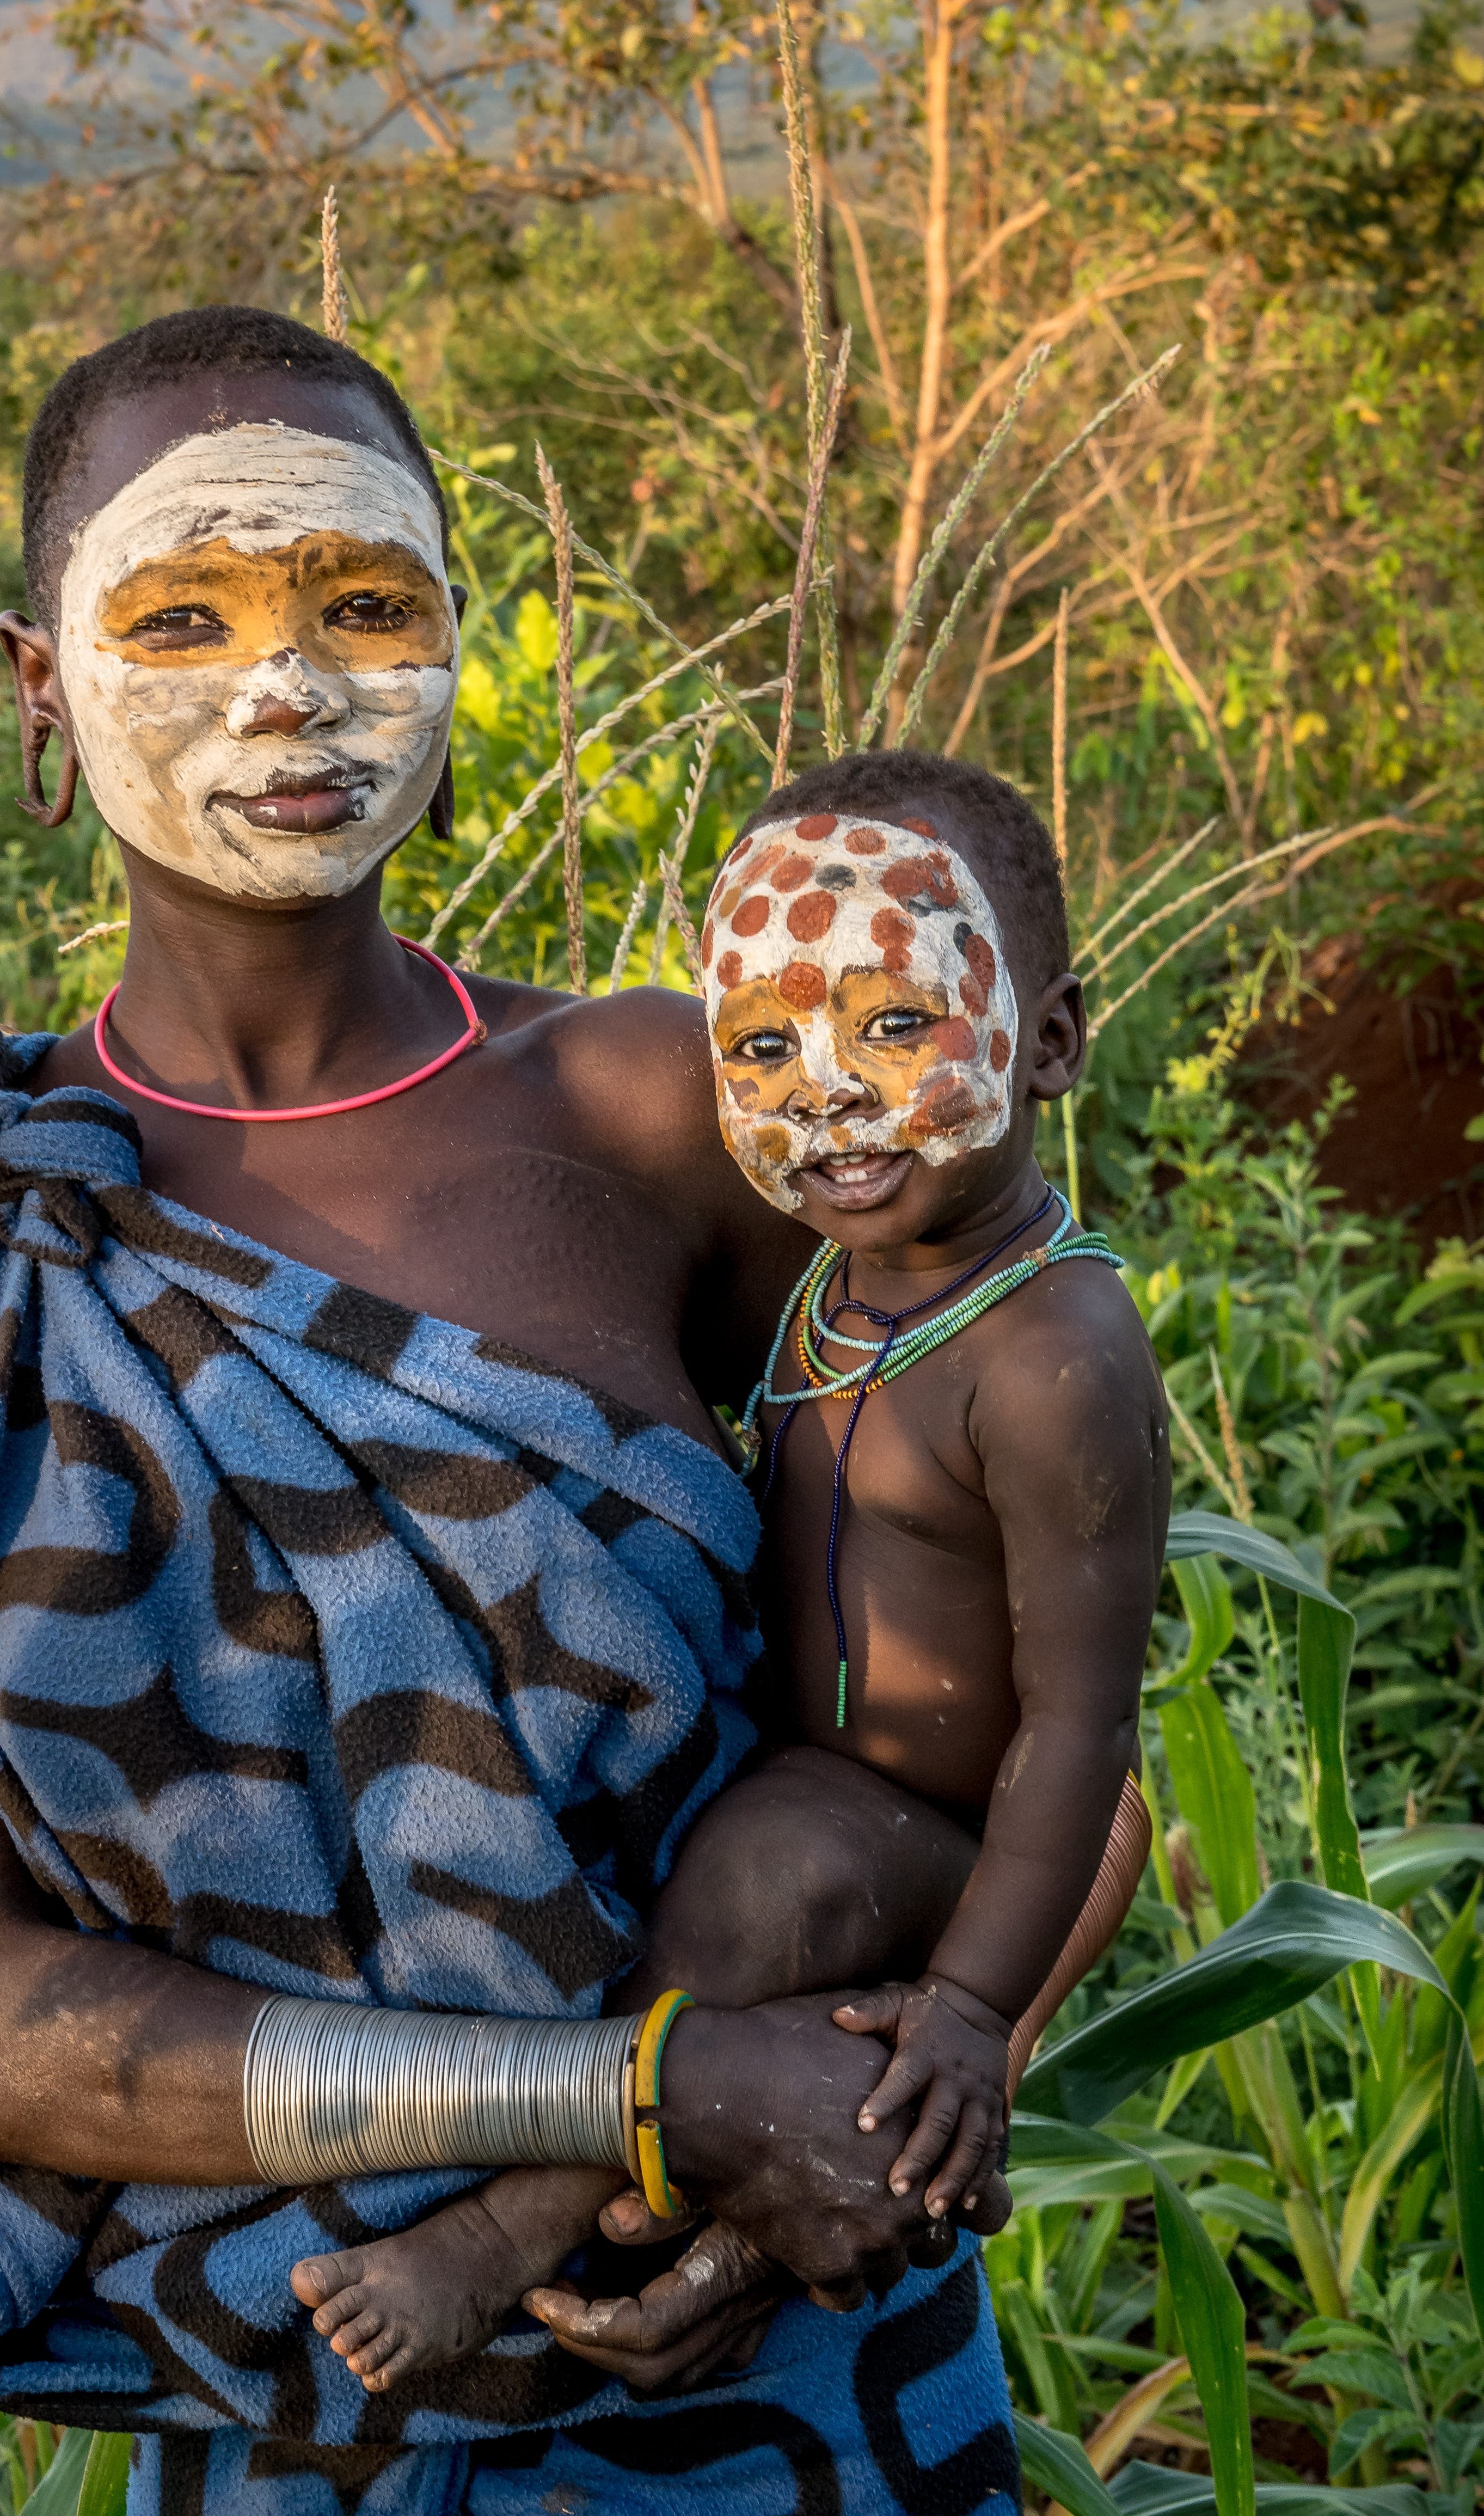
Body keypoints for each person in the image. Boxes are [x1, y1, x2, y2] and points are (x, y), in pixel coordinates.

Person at [0, 312, 1030, 2516]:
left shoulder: (674, 1125)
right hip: (312, 2421)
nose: (282, 689)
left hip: (808, 2357)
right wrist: (645, 2104)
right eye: (176, 617)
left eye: (361, 606)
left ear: (453, 648)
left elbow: (971, 1740)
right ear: (36, 684)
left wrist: (875, 2112)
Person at [291, 750, 1168, 2395]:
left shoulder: (1050, 1355)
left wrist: (977, 2011)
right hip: (800, 1756)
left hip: (918, 1816)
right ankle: (662, 2190)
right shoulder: (827, 1284)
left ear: (1047, 1040)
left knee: (764, 1889)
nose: (825, 1094)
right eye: (763, 1047)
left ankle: (497, 2234)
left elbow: (1080, 1734)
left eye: (896, 1028)